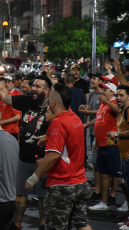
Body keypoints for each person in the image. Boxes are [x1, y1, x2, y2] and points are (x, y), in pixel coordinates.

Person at [0, 70, 51, 230]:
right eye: (33, 85)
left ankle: (43, 225)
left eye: (38, 87)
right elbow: (2, 96)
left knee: (42, 196)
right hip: (23, 157)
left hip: (42, 159)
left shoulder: (53, 107)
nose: (34, 89)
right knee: (19, 194)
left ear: (47, 91)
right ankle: (16, 225)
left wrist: (49, 155)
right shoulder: (27, 101)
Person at [25, 83, 92, 230]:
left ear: (53, 102)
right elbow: (67, 140)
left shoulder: (58, 122)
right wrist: (47, 136)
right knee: (82, 223)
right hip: (80, 182)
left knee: (56, 226)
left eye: (50, 97)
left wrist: (34, 177)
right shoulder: (74, 117)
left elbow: (53, 156)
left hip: (62, 185)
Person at [86, 82, 121, 211]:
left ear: (112, 92)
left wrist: (107, 101)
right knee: (104, 174)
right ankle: (104, 202)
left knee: (119, 176)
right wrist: (95, 138)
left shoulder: (114, 102)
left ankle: (126, 202)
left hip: (111, 144)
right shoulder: (103, 103)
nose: (102, 90)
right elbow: (100, 119)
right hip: (101, 144)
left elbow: (119, 111)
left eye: (105, 89)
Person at [107, 85, 129, 229]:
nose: (118, 98)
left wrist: (117, 135)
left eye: (121, 95)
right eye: (117, 95)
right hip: (124, 156)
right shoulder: (122, 112)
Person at [79, 73, 104, 200]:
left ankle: (100, 191)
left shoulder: (102, 95)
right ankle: (99, 188)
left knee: (96, 162)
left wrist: (87, 114)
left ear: (100, 80)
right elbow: (90, 107)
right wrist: (85, 107)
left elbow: (101, 114)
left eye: (94, 79)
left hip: (99, 133)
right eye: (91, 78)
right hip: (93, 132)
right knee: (95, 163)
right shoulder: (93, 94)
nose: (91, 80)